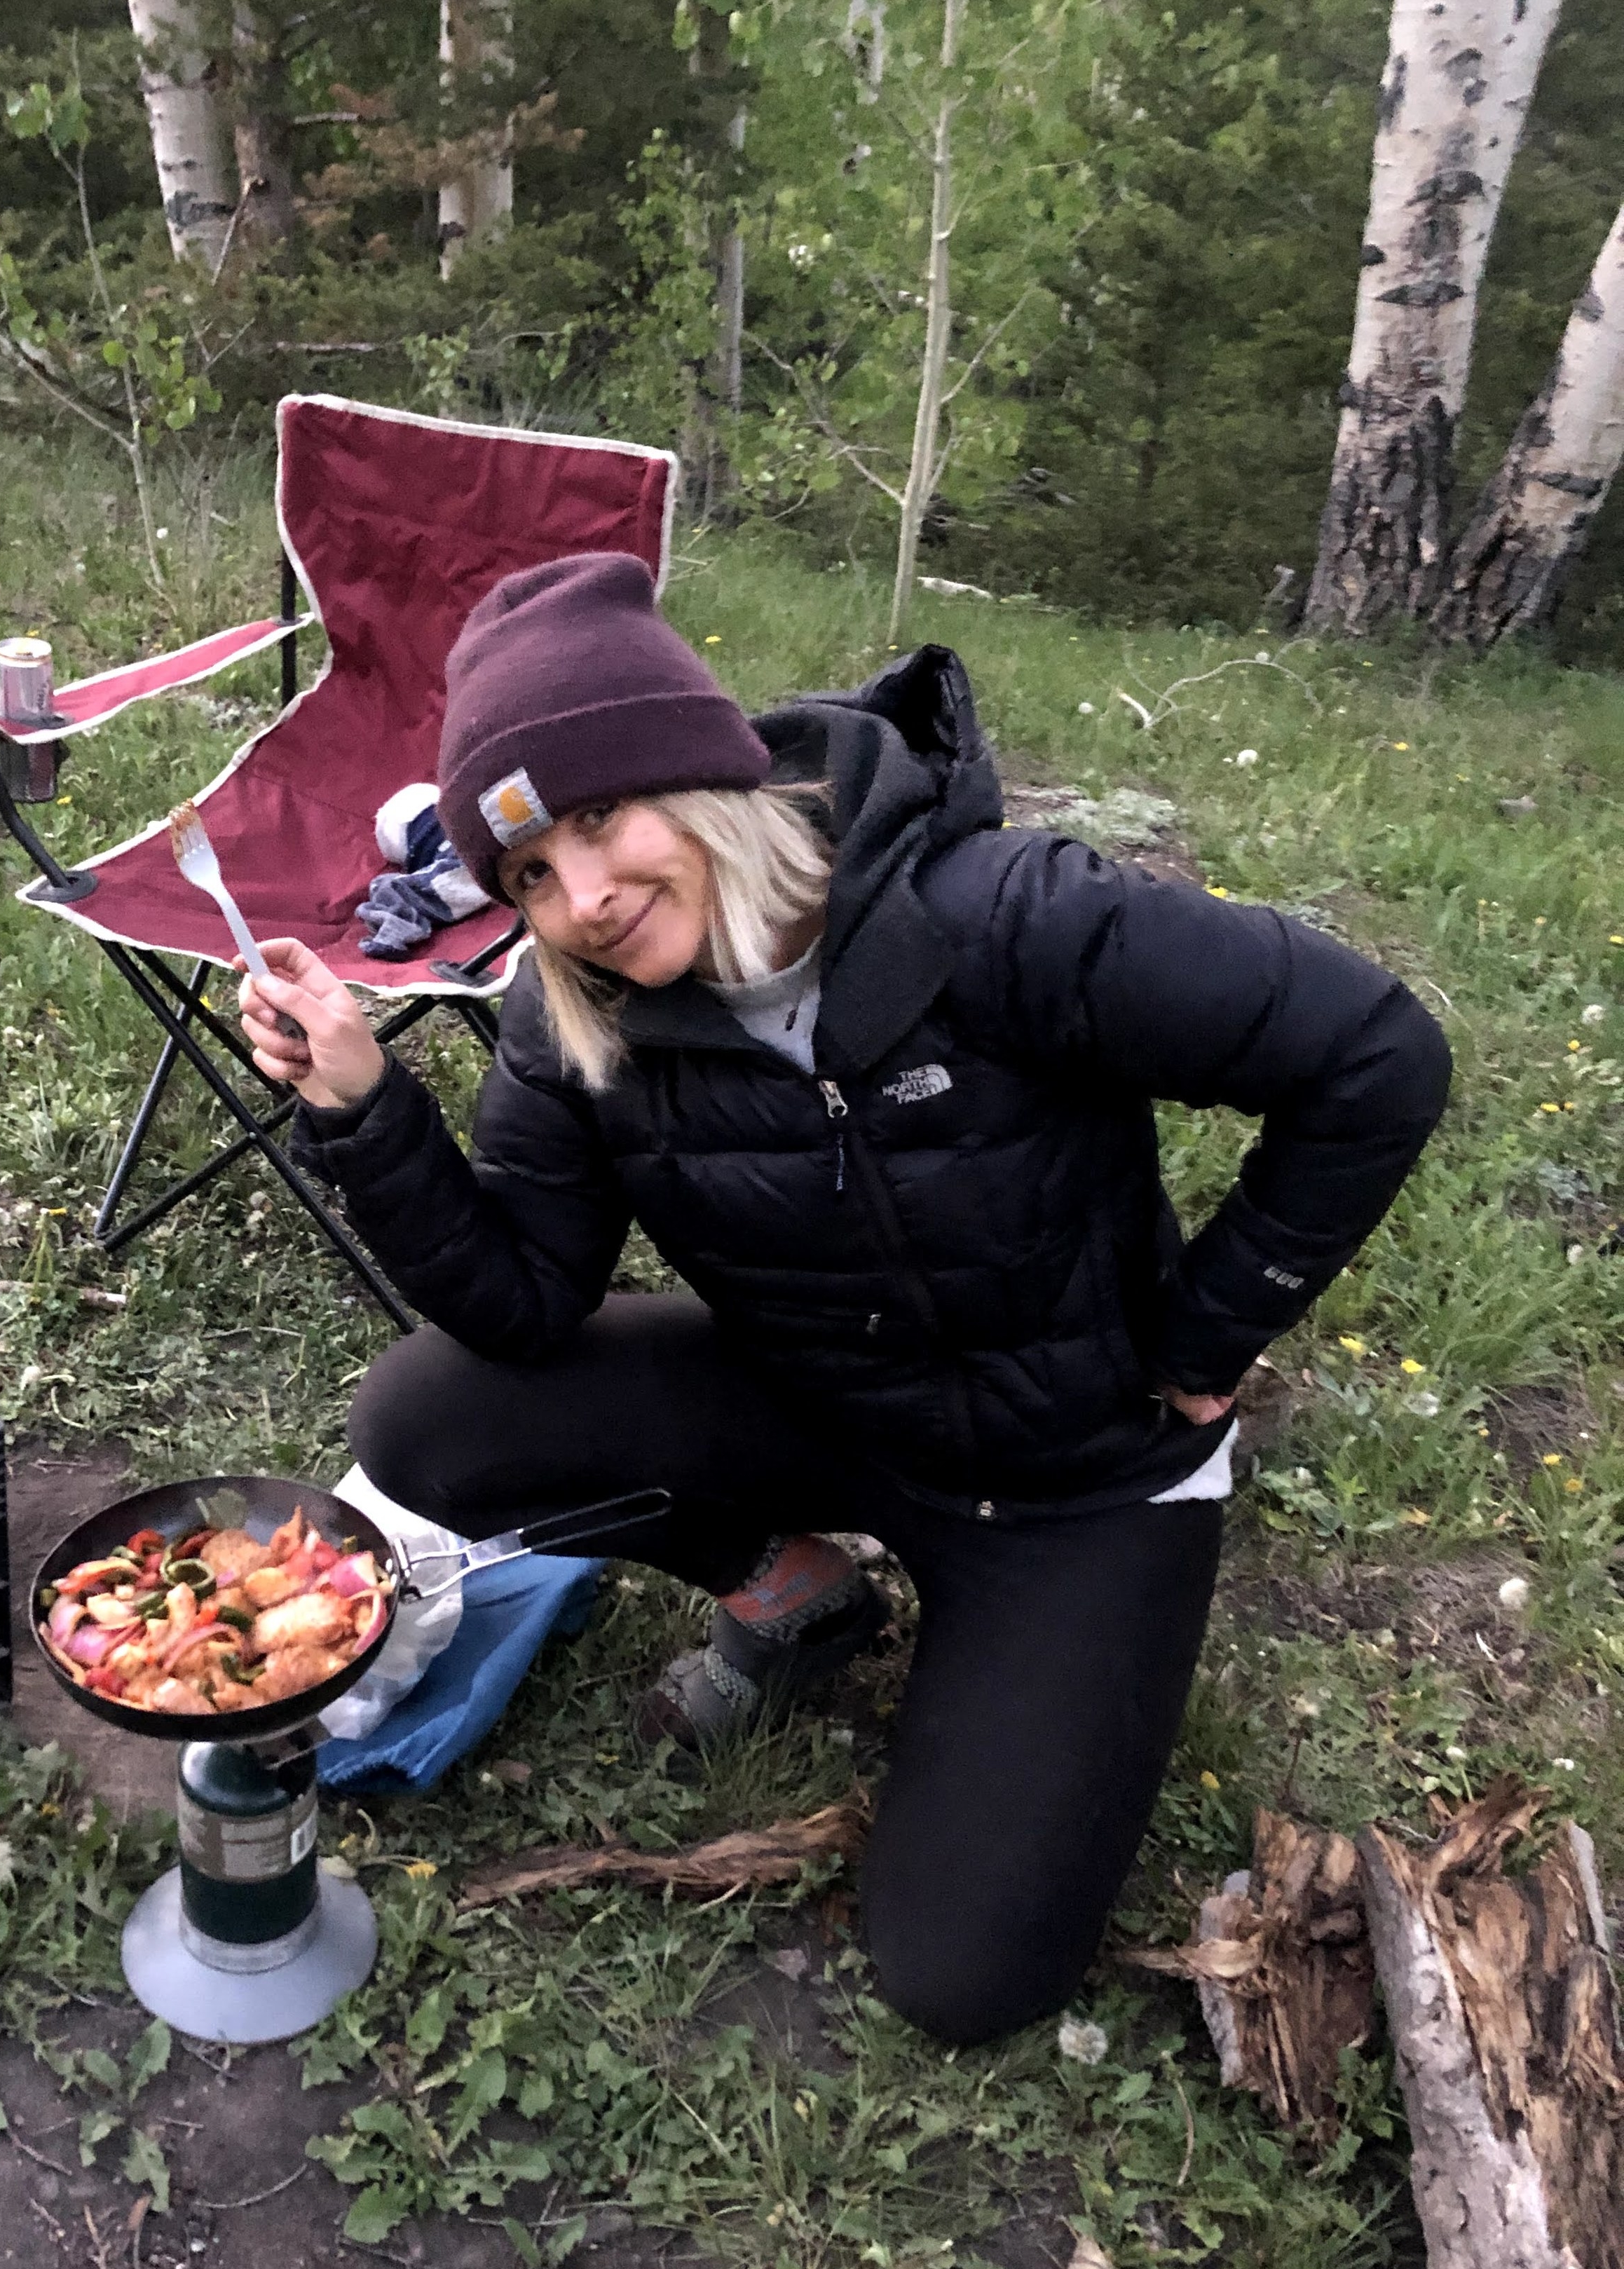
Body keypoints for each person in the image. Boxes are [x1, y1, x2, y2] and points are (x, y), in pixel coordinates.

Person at [233, 554, 1452, 2045]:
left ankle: (1008, 1653)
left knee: (959, 1972)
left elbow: (1378, 1057)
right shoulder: (574, 1027)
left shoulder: (1002, 915)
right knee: (425, 1413)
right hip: (824, 1405)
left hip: (1078, 1475)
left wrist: (1211, 1326)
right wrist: (366, 1110)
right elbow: (524, 1304)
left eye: (602, 820)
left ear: (693, 772)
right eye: (531, 876)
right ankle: (797, 1584)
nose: (588, 899)